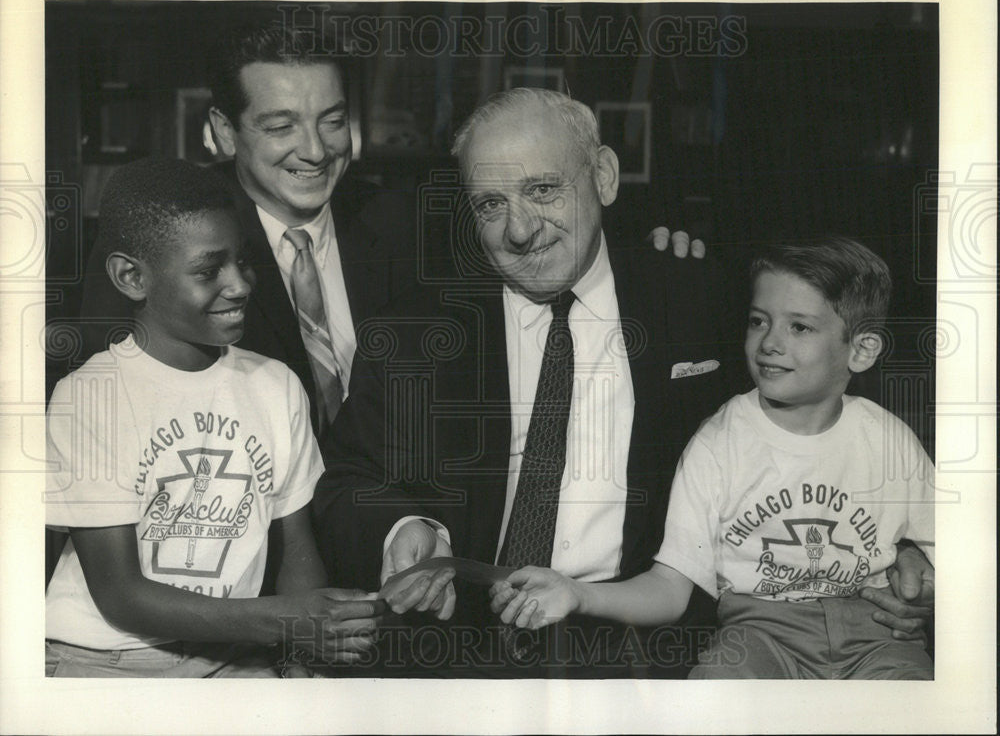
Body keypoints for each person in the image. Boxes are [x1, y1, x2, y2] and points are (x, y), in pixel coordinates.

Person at [312, 87, 741, 675]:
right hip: (458, 645)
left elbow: (791, 434)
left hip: (634, 644)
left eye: (542, 190)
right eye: (491, 204)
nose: (519, 229)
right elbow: (348, 480)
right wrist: (402, 529)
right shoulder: (417, 331)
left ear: (605, 177)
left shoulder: (696, 298)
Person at [489, 237, 936, 679]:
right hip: (760, 637)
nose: (770, 343)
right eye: (759, 321)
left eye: (799, 327)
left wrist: (930, 588)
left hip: (876, 636)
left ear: (861, 350)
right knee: (714, 693)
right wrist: (577, 593)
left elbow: (960, 559)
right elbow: (669, 588)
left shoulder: (890, 441)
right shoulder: (718, 443)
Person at [44, 158, 382, 677]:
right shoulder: (91, 396)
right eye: (208, 271)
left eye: (243, 262)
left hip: (233, 652)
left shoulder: (275, 385)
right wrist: (282, 624)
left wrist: (304, 645)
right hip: (105, 657)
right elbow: (120, 596)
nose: (241, 285)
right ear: (131, 276)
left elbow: (295, 549)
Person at [74, 19, 416, 441]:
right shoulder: (160, 236)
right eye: (280, 127)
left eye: (332, 121)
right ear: (224, 131)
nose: (315, 151)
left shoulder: (406, 226)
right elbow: (115, 417)